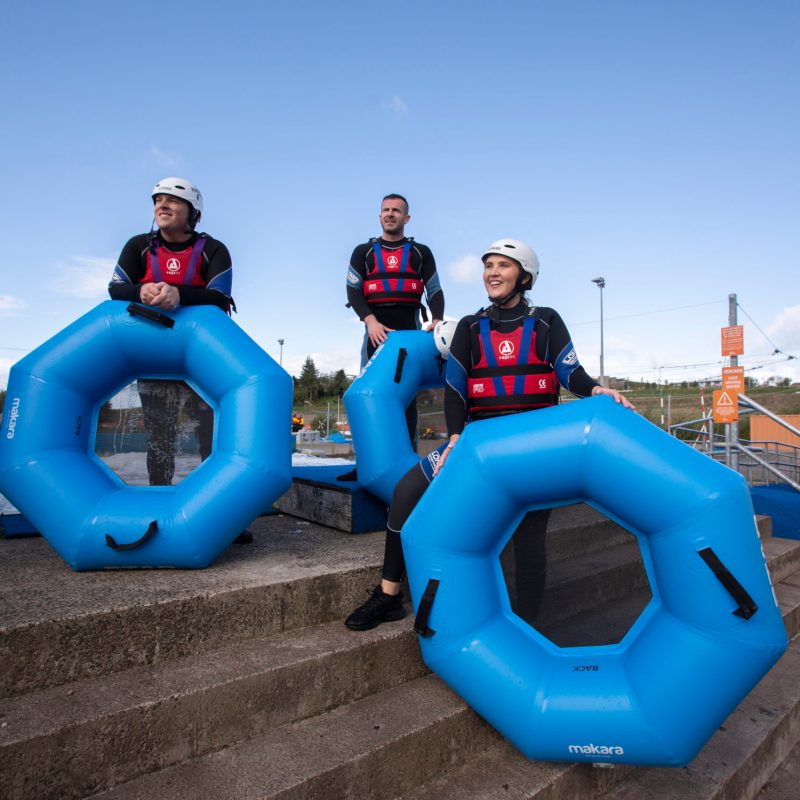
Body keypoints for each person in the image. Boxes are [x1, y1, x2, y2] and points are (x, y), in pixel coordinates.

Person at [345, 238, 635, 630]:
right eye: (488, 266)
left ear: (524, 275)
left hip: (533, 447)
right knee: (406, 491)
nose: (492, 273)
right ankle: (388, 595)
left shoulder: (547, 320)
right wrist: (454, 438)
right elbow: (455, 391)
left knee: (530, 538)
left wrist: (596, 389)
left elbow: (571, 374)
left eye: (503, 265)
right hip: (478, 445)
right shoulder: (470, 326)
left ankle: (530, 624)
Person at [108, 178, 251, 543]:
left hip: (203, 365)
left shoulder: (213, 249)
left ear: (193, 212)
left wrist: (178, 293)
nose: (163, 204)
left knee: (210, 436)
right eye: (158, 199)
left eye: (173, 200)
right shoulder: (138, 247)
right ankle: (159, 510)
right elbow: (115, 289)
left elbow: (220, 297)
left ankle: (220, 516)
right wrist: (143, 290)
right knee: (160, 437)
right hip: (155, 357)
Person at [340, 194, 446, 481]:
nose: (390, 214)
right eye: (386, 210)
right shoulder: (363, 251)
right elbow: (353, 291)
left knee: (405, 398)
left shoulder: (419, 252)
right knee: (368, 396)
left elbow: (434, 291)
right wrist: (370, 321)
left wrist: (435, 320)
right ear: (379, 216)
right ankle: (364, 463)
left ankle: (406, 464)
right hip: (375, 331)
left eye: (396, 210)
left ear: (406, 218)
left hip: (409, 330)